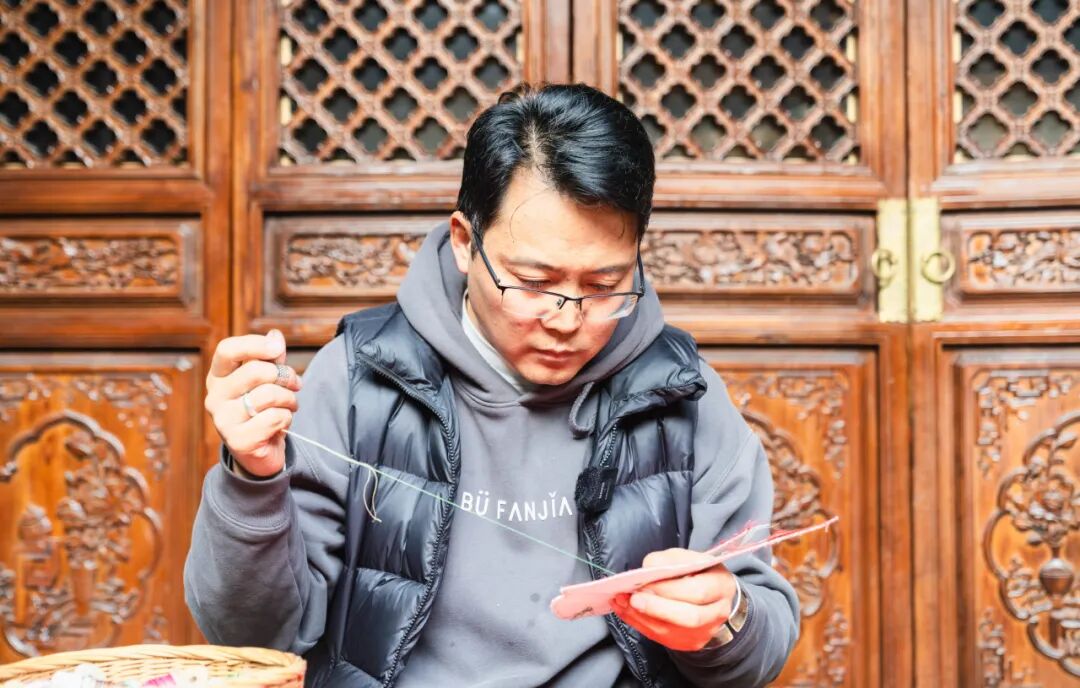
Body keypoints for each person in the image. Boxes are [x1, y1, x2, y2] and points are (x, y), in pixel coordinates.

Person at [185, 83, 799, 687]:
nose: (566, 320)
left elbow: (759, 647)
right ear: (463, 241)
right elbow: (255, 638)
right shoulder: (357, 378)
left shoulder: (682, 392)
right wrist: (253, 481)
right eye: (532, 282)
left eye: (604, 286)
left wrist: (725, 619)